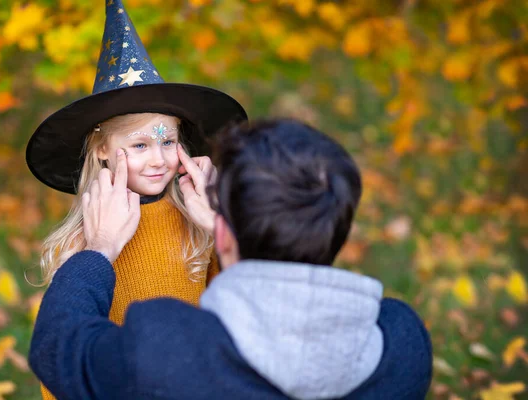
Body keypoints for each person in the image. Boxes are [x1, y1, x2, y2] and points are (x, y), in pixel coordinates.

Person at [29, 119, 433, 399]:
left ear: (221, 233)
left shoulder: (163, 352)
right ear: (339, 227)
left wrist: (98, 249)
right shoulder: (403, 345)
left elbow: (59, 346)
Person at [25, 1, 246, 399]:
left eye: (168, 141)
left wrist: (220, 223)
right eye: (140, 144)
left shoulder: (196, 223)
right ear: (103, 151)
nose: (158, 159)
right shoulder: (87, 240)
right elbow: (65, 343)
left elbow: (240, 308)